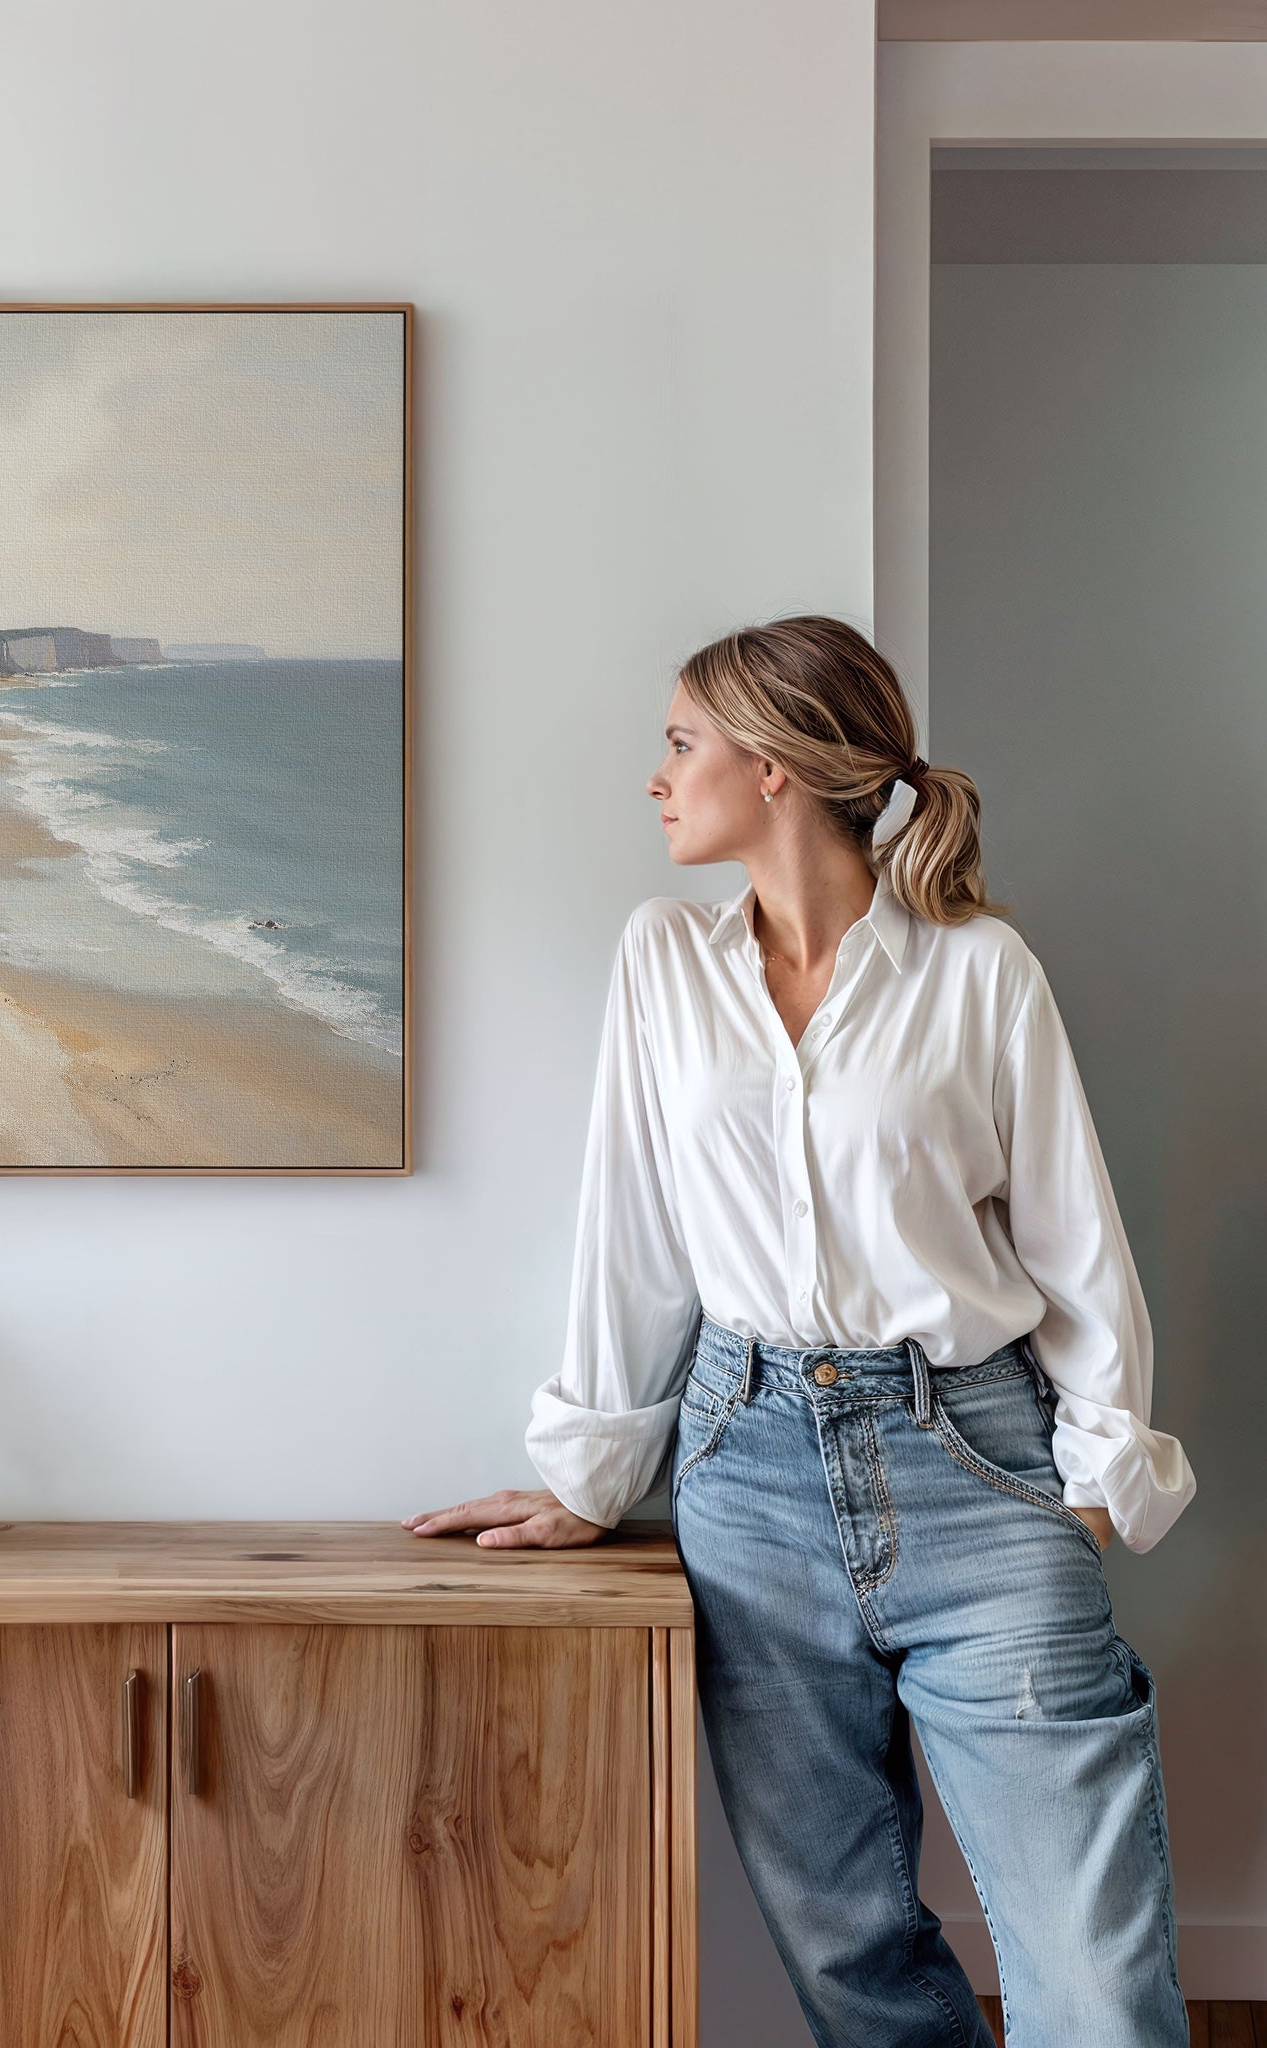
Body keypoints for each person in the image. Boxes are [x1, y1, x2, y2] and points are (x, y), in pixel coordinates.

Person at [403, 616, 1195, 2046]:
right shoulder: (663, 963)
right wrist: (594, 1473)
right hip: (747, 1473)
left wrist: (1093, 1479)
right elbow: (629, 1230)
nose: (657, 777)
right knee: (851, 1960)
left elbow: (1078, 1243)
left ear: (773, 769)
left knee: (1093, 1973)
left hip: (979, 1461)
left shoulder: (978, 971)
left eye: (680, 742)